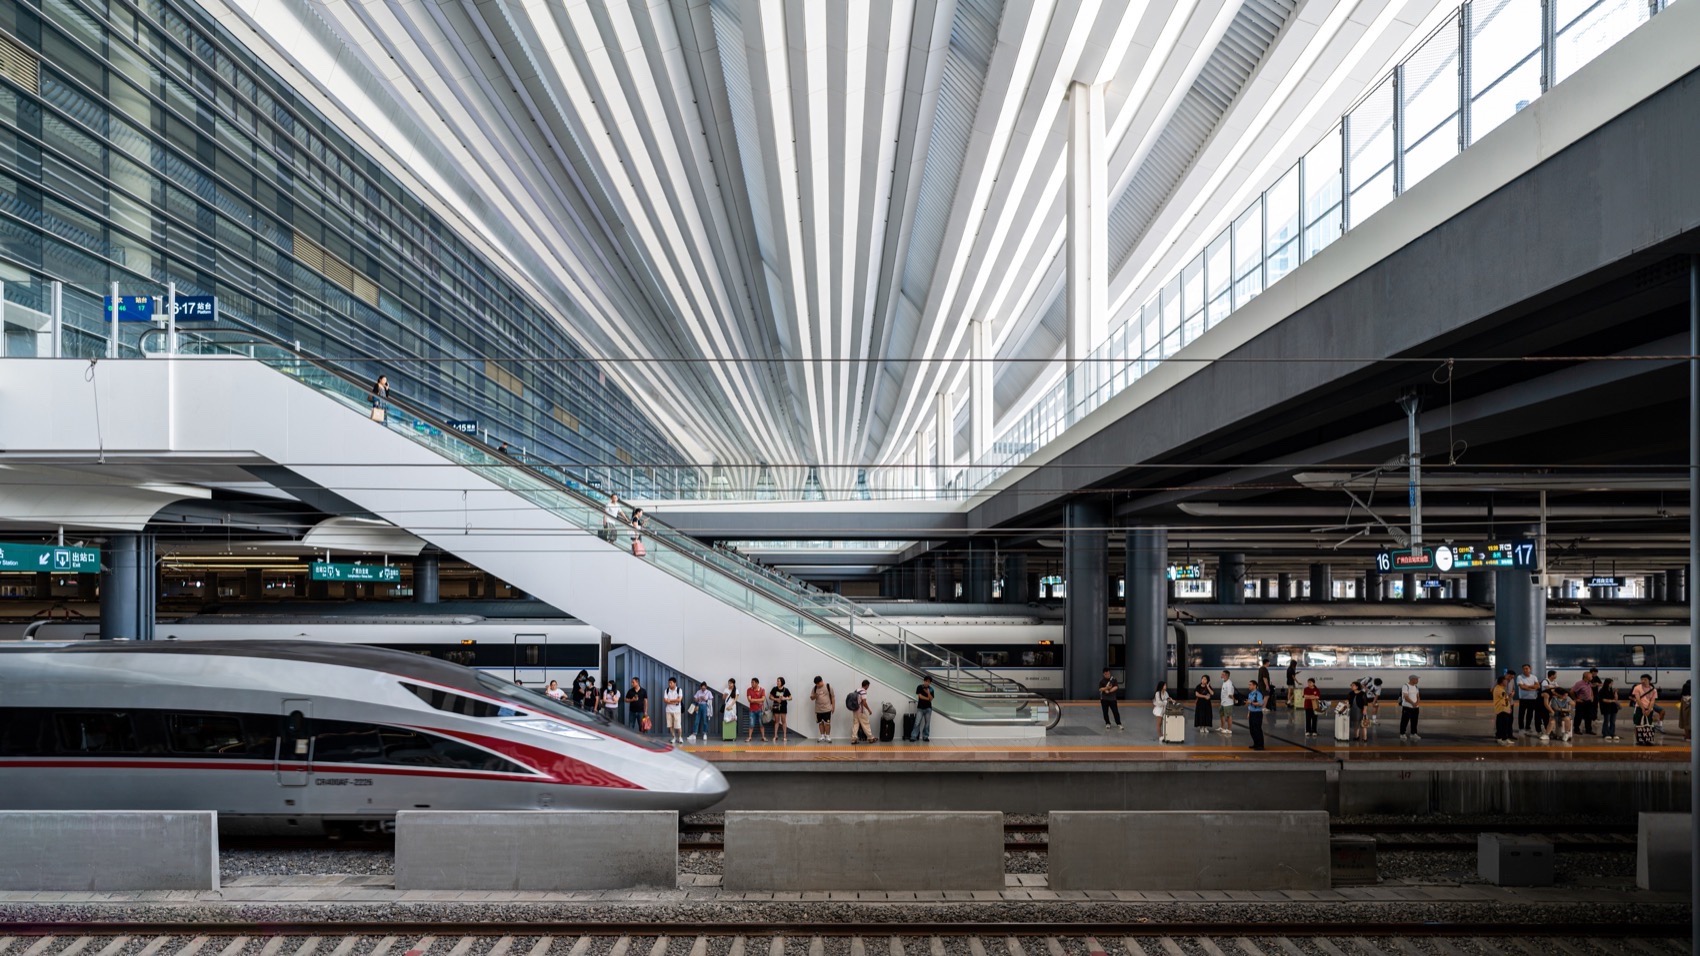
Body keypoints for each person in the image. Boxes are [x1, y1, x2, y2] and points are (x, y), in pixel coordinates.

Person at [1515, 664, 1540, 736]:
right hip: (1523, 699)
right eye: (1524, 669)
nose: (1525, 670)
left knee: (1530, 714)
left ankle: (1528, 728)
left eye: (1527, 668)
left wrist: (1528, 686)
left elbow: (1538, 686)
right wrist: (1533, 687)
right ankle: (1521, 728)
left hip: (1532, 699)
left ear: (1530, 669)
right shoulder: (1520, 677)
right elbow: (1522, 687)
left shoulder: (1534, 677)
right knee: (1521, 714)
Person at [1571, 670, 1597, 735]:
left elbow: (1590, 690)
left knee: (1589, 716)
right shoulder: (1579, 683)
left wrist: (1592, 697)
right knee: (1579, 716)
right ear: (1586, 677)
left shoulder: (1589, 683)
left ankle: (1588, 729)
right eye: (1590, 676)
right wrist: (1576, 699)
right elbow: (1571, 691)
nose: (1592, 677)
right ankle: (1576, 729)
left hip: (1588, 702)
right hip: (1581, 702)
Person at [1492, 673, 1515, 746]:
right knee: (1501, 725)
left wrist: (1509, 708)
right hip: (1501, 709)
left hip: (1505, 709)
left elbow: (1506, 699)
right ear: (1502, 682)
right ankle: (1500, 738)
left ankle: (1504, 738)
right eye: (1506, 681)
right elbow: (1504, 697)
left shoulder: (1502, 689)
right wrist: (1510, 695)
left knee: (1505, 724)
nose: (1507, 682)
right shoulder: (1498, 689)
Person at [810, 675, 835, 742]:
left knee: (827, 723)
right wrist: (814, 696)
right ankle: (822, 736)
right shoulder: (815, 688)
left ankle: (828, 736)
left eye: (818, 683)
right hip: (818, 709)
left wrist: (833, 707)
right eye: (816, 684)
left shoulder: (828, 686)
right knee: (820, 723)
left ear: (821, 681)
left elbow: (832, 697)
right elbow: (811, 698)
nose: (817, 685)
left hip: (827, 708)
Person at [911, 675, 935, 742]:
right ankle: (913, 736)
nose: (927, 683)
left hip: (928, 709)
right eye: (926, 681)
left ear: (930, 683)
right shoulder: (919, 687)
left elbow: (931, 699)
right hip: (920, 708)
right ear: (924, 681)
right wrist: (928, 698)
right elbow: (920, 696)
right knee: (917, 722)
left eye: (928, 682)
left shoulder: (931, 689)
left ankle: (925, 736)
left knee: (927, 723)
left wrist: (928, 693)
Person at [744, 677, 768, 743]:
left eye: (753, 682)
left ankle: (763, 737)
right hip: (752, 710)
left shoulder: (762, 690)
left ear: (757, 683)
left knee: (761, 724)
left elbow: (763, 699)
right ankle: (749, 737)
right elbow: (749, 700)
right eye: (751, 682)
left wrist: (753, 700)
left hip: (760, 710)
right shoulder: (749, 690)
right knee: (751, 724)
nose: (751, 684)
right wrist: (758, 701)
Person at [1398, 675, 1421, 741]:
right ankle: (1402, 734)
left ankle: (1413, 733)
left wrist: (1417, 703)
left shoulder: (1416, 687)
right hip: (1407, 707)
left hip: (1415, 707)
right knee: (1404, 721)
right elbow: (1406, 697)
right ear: (1412, 679)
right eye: (1416, 679)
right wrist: (1413, 703)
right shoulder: (1405, 686)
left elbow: (1418, 696)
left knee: (1414, 721)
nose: (1417, 681)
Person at [850, 679, 873, 745]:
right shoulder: (863, 691)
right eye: (868, 686)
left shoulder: (857, 690)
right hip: (861, 710)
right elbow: (864, 702)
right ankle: (870, 738)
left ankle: (854, 739)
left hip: (855, 710)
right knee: (865, 723)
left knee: (855, 724)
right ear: (866, 685)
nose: (868, 687)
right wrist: (869, 710)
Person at [770, 677, 792, 742]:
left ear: (782, 682)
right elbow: (770, 696)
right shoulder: (774, 689)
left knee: (783, 721)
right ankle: (775, 735)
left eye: (778, 681)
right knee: (776, 721)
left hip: (783, 706)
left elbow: (791, 697)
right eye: (777, 681)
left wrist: (785, 698)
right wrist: (776, 699)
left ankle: (785, 736)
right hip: (776, 706)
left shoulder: (786, 690)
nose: (777, 682)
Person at [663, 677, 684, 744]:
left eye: (671, 683)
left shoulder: (679, 690)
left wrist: (670, 701)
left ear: (675, 683)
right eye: (669, 683)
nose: (669, 684)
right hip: (668, 710)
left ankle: (680, 737)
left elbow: (679, 700)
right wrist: (674, 701)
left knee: (678, 725)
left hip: (677, 710)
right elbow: (665, 700)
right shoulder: (666, 690)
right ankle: (673, 737)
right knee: (670, 725)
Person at [1246, 681, 1266, 751]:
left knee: (1257, 729)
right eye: (1249, 685)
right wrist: (1249, 713)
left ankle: (1260, 745)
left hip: (1257, 713)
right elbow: (1249, 705)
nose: (1249, 686)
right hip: (1252, 713)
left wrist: (1251, 702)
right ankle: (1256, 743)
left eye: (1250, 685)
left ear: (1255, 686)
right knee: (1252, 730)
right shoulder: (1250, 694)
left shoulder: (1258, 694)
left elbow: (1261, 703)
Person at [1218, 670, 1236, 736]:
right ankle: (1222, 727)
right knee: (1222, 715)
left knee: (1228, 716)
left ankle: (1229, 729)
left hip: (1228, 703)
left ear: (1225, 675)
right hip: (1223, 702)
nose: (1221, 675)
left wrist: (1234, 700)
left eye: (1222, 674)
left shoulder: (1229, 684)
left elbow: (1230, 695)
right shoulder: (1224, 682)